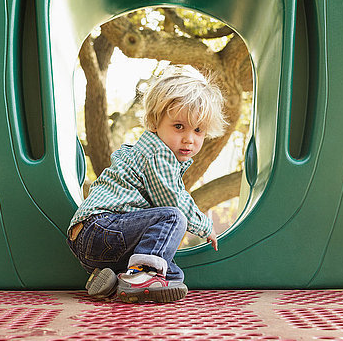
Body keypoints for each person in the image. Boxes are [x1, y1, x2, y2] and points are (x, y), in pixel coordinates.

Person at [67, 66, 227, 303]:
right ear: (154, 122)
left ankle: (111, 281)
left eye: (198, 130)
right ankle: (138, 277)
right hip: (101, 229)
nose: (189, 139)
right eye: (179, 126)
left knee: (172, 275)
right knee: (174, 217)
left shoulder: (150, 152)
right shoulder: (157, 153)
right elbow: (174, 201)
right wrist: (205, 226)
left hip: (90, 241)